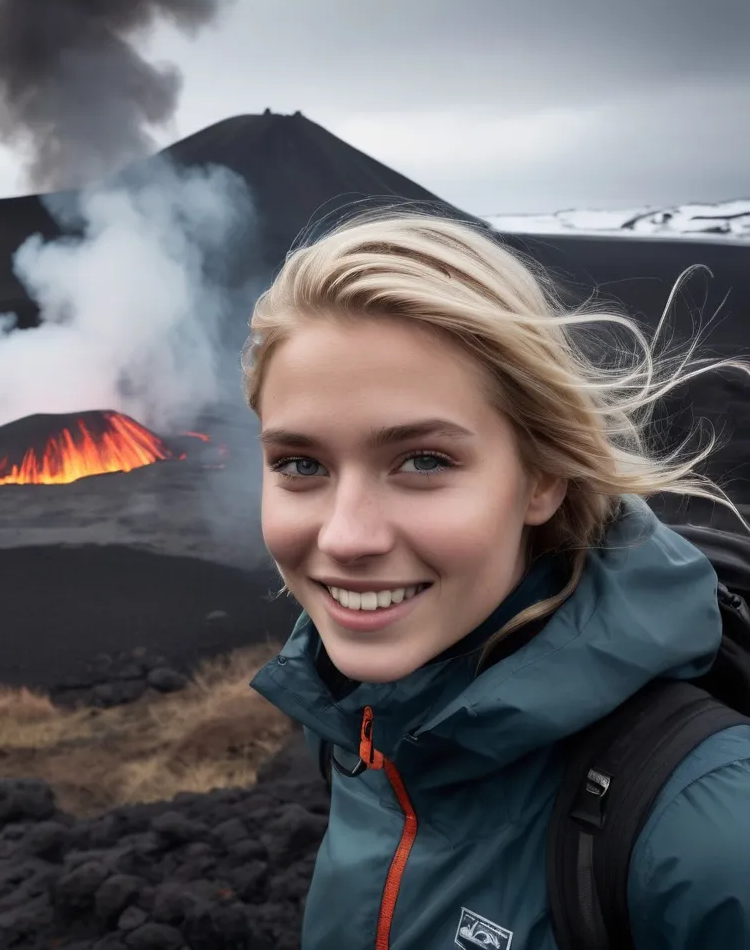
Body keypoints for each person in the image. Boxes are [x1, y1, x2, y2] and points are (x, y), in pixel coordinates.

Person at [243, 211, 750, 949]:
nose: (346, 536)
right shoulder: (363, 730)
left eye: (423, 461)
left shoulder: (707, 835)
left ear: (541, 477)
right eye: (301, 465)